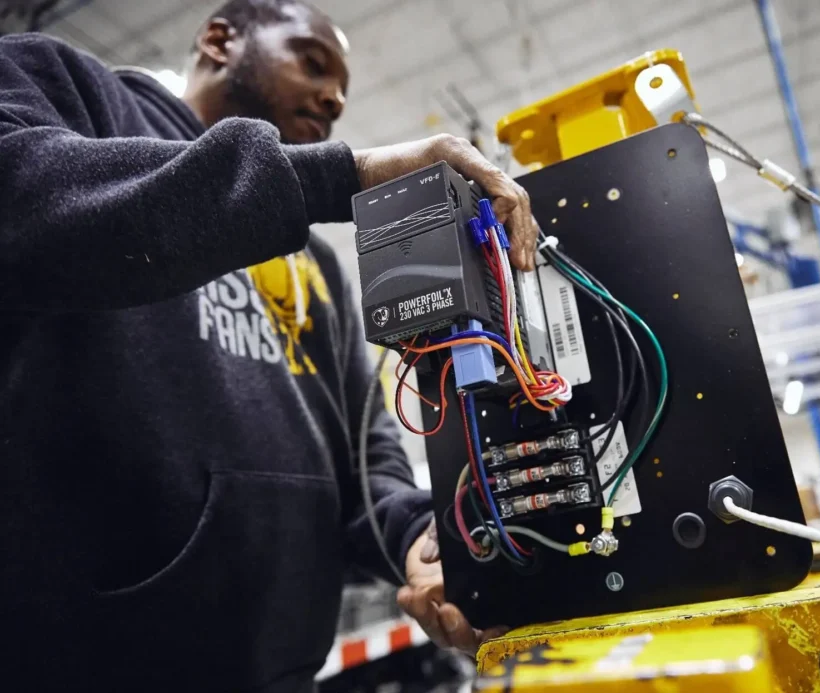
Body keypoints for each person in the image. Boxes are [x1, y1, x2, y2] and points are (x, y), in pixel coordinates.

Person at [0, 0, 537, 690]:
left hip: (282, 672)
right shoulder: (62, 84)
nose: (334, 96)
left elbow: (366, 453)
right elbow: (23, 201)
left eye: (342, 85)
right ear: (221, 41)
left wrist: (415, 540)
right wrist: (337, 175)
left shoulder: (315, 263)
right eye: (312, 63)